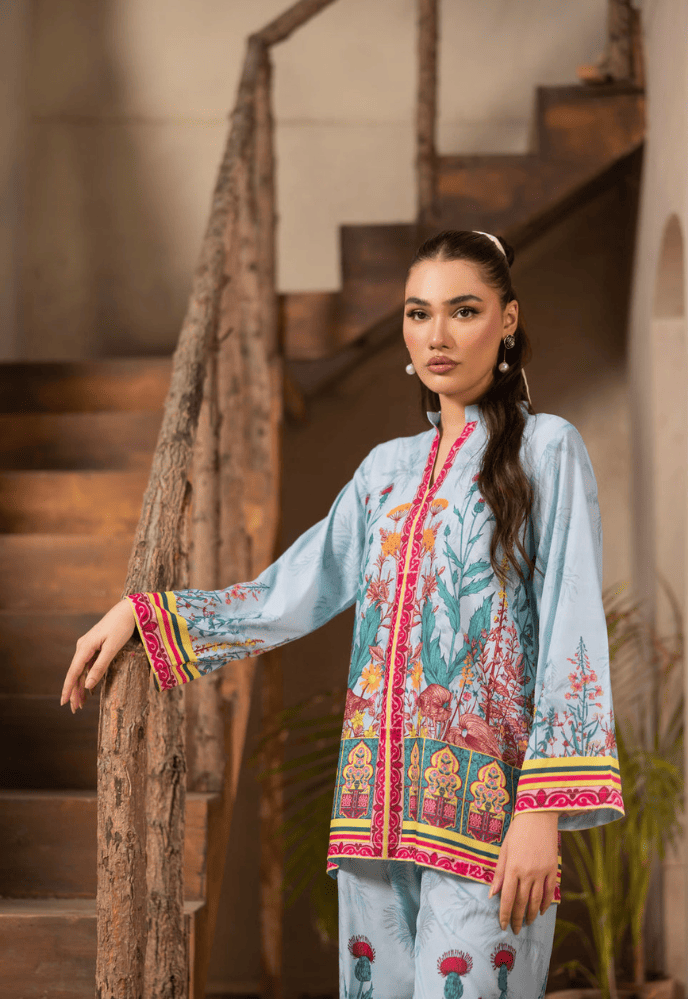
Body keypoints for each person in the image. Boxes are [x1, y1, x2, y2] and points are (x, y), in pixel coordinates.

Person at [62, 229, 624, 999]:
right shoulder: (383, 473)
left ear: (509, 319)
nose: (437, 335)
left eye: (463, 311)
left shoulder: (548, 451)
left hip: (488, 821)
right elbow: (289, 595)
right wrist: (148, 615)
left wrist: (542, 812)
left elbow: (572, 631)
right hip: (372, 822)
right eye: (418, 314)